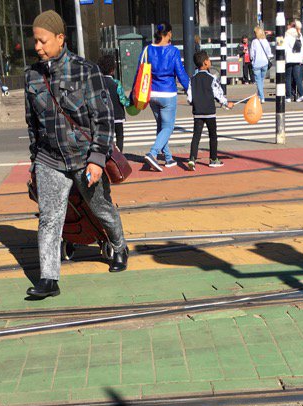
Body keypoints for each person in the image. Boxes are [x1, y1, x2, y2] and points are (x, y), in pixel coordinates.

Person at [24, 10, 129, 299]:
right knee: (49, 218)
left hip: (84, 159)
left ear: (60, 39)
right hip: (49, 160)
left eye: (42, 41)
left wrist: (97, 160)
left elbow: (104, 120)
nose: (37, 47)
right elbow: (32, 125)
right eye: (35, 41)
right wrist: (35, 162)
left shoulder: (86, 71)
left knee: (101, 208)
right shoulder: (32, 77)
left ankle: (119, 246)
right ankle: (49, 278)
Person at [142, 23, 191, 171]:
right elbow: (180, 73)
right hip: (168, 93)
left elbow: (140, 70)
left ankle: (168, 158)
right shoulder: (173, 51)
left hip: (151, 93)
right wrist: (189, 88)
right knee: (168, 127)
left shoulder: (147, 49)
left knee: (161, 127)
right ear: (168, 34)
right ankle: (153, 153)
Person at [186, 51, 231, 170]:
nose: (210, 61)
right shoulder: (212, 78)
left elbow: (189, 98)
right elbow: (218, 94)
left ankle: (192, 159)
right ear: (205, 62)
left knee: (196, 136)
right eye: (209, 60)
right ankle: (213, 159)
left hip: (197, 113)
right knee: (213, 135)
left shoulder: (192, 79)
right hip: (210, 112)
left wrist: (194, 102)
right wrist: (226, 103)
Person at [98, 53, 130, 151]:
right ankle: (119, 154)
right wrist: (130, 102)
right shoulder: (116, 83)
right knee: (119, 136)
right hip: (117, 116)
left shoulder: (97, 83)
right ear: (112, 70)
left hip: (103, 116)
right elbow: (123, 100)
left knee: (108, 137)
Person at [249, 26, 273, 102]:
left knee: (258, 81)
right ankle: (259, 95)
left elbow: (252, 53)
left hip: (257, 63)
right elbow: (269, 52)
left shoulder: (254, 42)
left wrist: (252, 60)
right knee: (261, 80)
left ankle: (262, 97)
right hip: (265, 63)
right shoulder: (265, 41)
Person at [284, 20, 303, 101]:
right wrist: (301, 60)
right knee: (297, 78)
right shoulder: (299, 35)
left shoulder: (287, 35)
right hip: (297, 59)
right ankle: (302, 94)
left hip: (289, 59)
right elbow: (302, 48)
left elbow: (284, 47)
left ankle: (288, 97)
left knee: (288, 78)